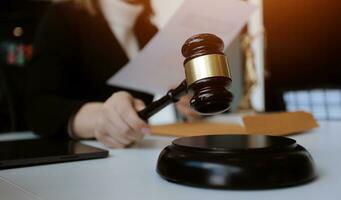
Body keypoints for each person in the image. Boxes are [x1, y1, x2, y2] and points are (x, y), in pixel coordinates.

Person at [27, 0, 198, 148]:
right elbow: (36, 106)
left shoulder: (148, 31)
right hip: (79, 154)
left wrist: (183, 96)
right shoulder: (63, 17)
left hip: (137, 151)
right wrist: (100, 117)